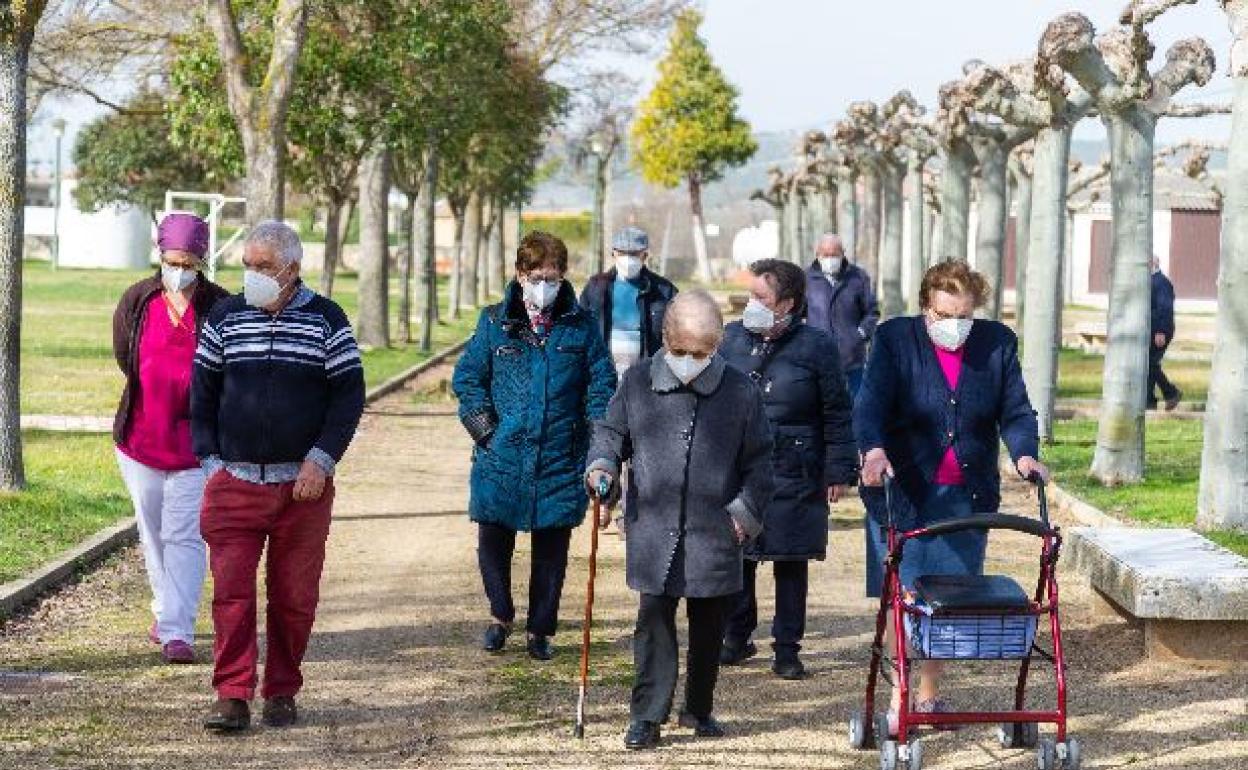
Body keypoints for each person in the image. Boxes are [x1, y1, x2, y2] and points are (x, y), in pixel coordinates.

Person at [854, 259, 1048, 735]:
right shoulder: (896, 338)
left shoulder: (996, 342)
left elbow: (1017, 410)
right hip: (905, 491)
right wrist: (874, 450)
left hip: (966, 495)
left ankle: (929, 695)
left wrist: (1025, 454)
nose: (954, 326)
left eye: (964, 315)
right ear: (927, 306)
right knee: (907, 598)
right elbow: (870, 404)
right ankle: (902, 699)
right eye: (944, 314)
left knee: (951, 603)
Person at [192, 221, 365, 732]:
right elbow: (200, 396)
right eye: (247, 265)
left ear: (292, 268)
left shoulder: (327, 319)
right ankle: (232, 694)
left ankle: (283, 690)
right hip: (234, 484)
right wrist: (212, 465)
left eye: (263, 267)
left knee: (294, 598)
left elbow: (348, 398)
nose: (252, 275)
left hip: (302, 488)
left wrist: (322, 459)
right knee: (231, 593)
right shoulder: (224, 318)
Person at [586, 291, 775, 750]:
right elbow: (611, 435)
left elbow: (761, 462)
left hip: (716, 529)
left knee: (711, 624)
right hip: (654, 525)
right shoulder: (635, 383)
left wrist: (744, 514)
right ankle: (647, 716)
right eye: (682, 352)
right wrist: (602, 468)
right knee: (653, 622)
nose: (691, 361)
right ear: (665, 340)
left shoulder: (740, 390)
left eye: (702, 353)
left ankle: (699, 708)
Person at [452, 231, 616, 662]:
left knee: (552, 551)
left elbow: (601, 385)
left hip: (560, 455)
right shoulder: (494, 322)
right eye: (538, 276)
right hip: (501, 455)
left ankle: (541, 629)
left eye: (554, 276)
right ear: (520, 274)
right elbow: (468, 379)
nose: (546, 284)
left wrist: (598, 443)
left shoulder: (581, 327)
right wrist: (486, 430)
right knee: (494, 538)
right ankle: (499, 615)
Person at [719, 259, 858, 680]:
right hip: (739, 467)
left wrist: (838, 469)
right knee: (738, 554)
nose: (752, 305)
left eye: (762, 298)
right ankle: (736, 635)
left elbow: (837, 410)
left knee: (790, 559)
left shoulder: (816, 346)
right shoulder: (731, 338)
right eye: (750, 297)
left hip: (796, 466)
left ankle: (786, 648)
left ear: (788, 303)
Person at [112, 213, 229, 665]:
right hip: (141, 440)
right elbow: (125, 356)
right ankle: (164, 612)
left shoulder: (220, 306)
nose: (178, 270)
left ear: (201, 262)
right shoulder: (138, 300)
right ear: (160, 256)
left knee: (184, 536)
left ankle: (177, 631)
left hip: (195, 447)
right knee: (153, 535)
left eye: (188, 262)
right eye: (171, 260)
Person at [579, 225, 678, 375]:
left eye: (634, 254)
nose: (628, 259)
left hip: (647, 376)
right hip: (603, 375)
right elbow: (580, 328)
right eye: (622, 253)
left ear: (645, 256)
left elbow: (677, 333)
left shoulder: (664, 290)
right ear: (613, 253)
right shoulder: (595, 287)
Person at [805, 233, 879, 400]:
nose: (830, 259)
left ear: (843, 254)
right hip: (817, 359)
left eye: (835, 255)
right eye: (826, 255)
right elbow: (796, 312)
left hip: (852, 359)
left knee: (855, 407)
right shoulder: (807, 278)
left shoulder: (858, 277)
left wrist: (860, 334)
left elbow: (872, 312)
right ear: (818, 254)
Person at [1149, 256, 1182, 411]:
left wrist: (1161, 331)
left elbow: (1165, 308)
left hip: (1159, 331)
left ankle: (1171, 393)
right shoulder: (1151, 281)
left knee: (1150, 364)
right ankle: (1149, 400)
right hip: (1152, 330)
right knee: (1147, 365)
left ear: (1153, 263)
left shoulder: (1161, 282)